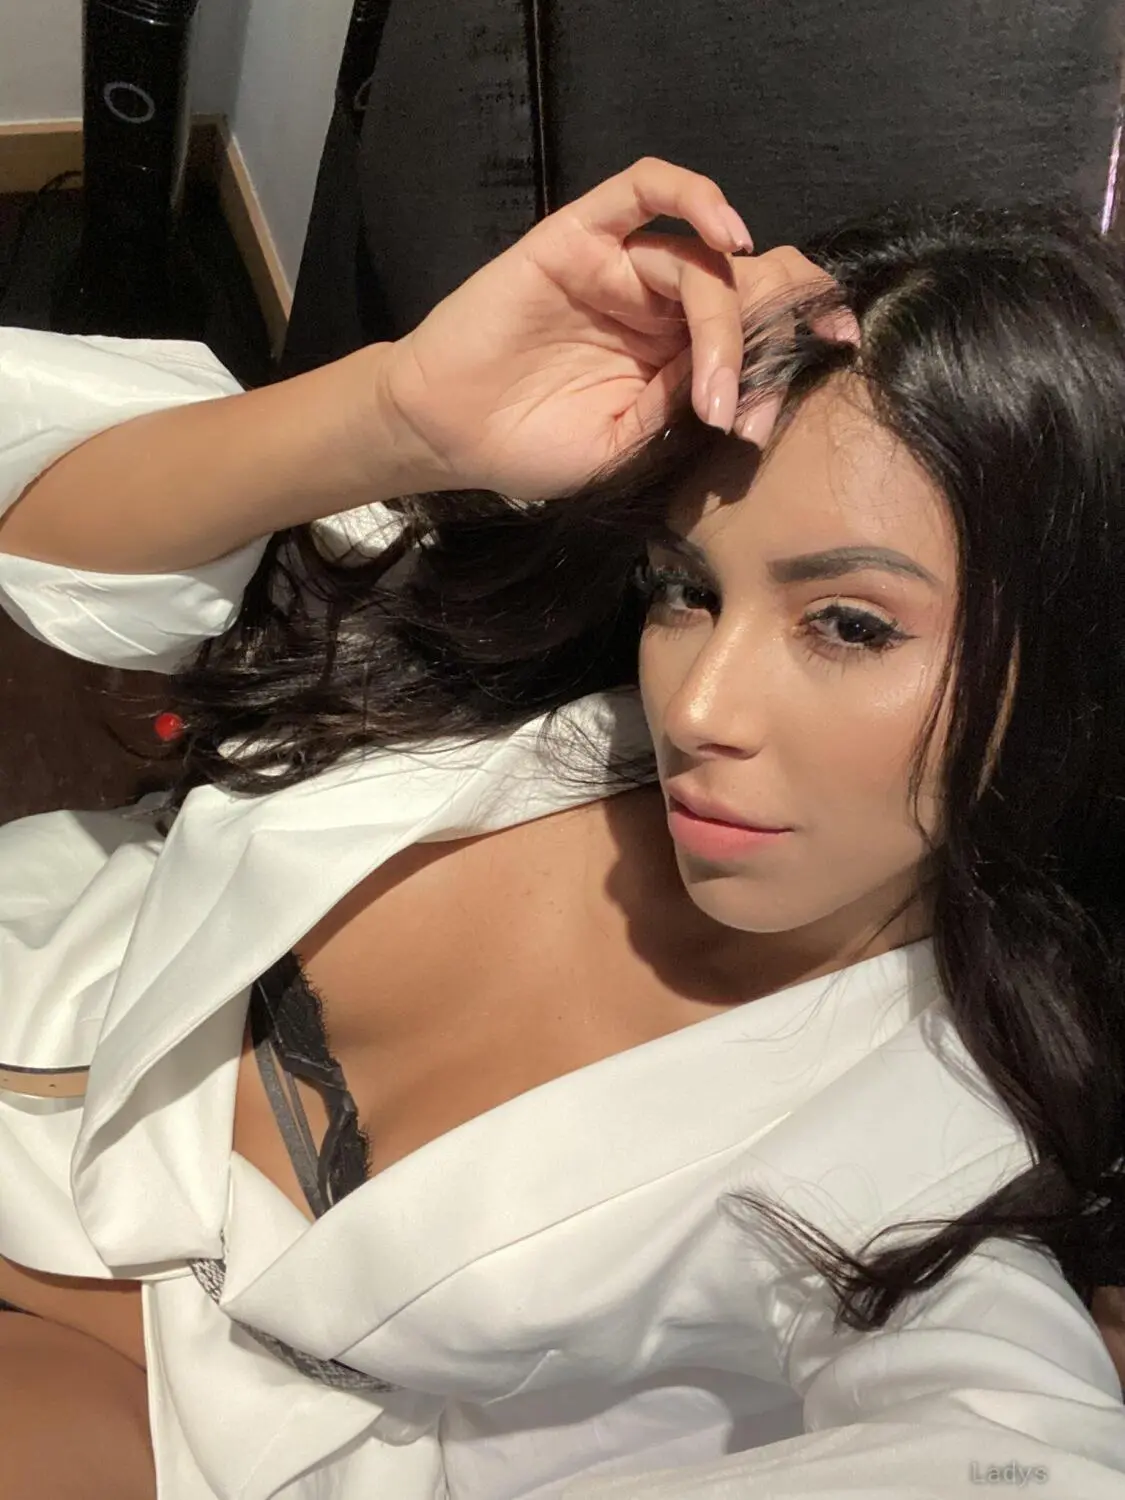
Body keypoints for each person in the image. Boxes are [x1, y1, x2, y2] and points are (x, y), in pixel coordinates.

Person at [0, 160, 1122, 1500]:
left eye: (849, 624)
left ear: (1072, 665)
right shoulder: (519, 676)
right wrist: (399, 413)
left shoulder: (930, 1162)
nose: (698, 707)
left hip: (156, 1418)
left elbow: (1019, 1445)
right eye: (687, 588)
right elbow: (31, 506)